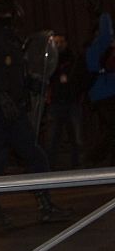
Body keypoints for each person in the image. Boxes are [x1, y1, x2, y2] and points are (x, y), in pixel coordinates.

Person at [0, 0, 70, 226]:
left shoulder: (10, 38)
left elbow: (17, 74)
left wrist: (35, 83)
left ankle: (42, 204)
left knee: (29, 156)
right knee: (0, 159)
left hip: (13, 109)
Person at [45, 34, 85, 168]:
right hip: (56, 103)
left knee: (76, 137)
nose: (59, 44)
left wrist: (77, 92)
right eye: (56, 42)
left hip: (72, 102)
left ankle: (78, 166)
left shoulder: (74, 59)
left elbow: (81, 78)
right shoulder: (50, 60)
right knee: (52, 138)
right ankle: (49, 167)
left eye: (61, 41)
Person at [84, 10, 115, 165]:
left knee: (111, 129)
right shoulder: (98, 46)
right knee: (112, 129)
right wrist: (104, 14)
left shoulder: (95, 47)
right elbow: (107, 34)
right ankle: (93, 159)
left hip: (102, 93)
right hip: (105, 93)